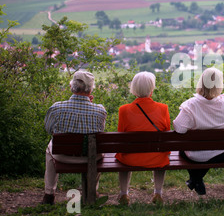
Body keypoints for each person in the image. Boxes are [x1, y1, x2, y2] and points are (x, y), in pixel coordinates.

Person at [42, 71, 107, 205]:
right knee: (96, 148)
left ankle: (49, 194)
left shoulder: (56, 108)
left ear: (72, 87)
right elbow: (100, 131)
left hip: (62, 156)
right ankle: (92, 191)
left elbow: (48, 130)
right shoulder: (100, 111)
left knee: (50, 146)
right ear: (90, 90)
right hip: (90, 157)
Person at [173, 67, 224, 195]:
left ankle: (195, 179)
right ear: (219, 86)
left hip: (194, 156)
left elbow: (179, 129)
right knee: (209, 152)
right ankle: (196, 180)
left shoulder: (190, 105)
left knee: (189, 151)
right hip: (222, 154)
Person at [115, 71, 171, 205]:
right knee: (162, 155)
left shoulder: (124, 110)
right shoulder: (163, 108)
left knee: (122, 155)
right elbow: (166, 132)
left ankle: (124, 194)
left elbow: (121, 136)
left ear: (134, 89)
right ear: (152, 89)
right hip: (156, 157)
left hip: (130, 158)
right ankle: (158, 193)